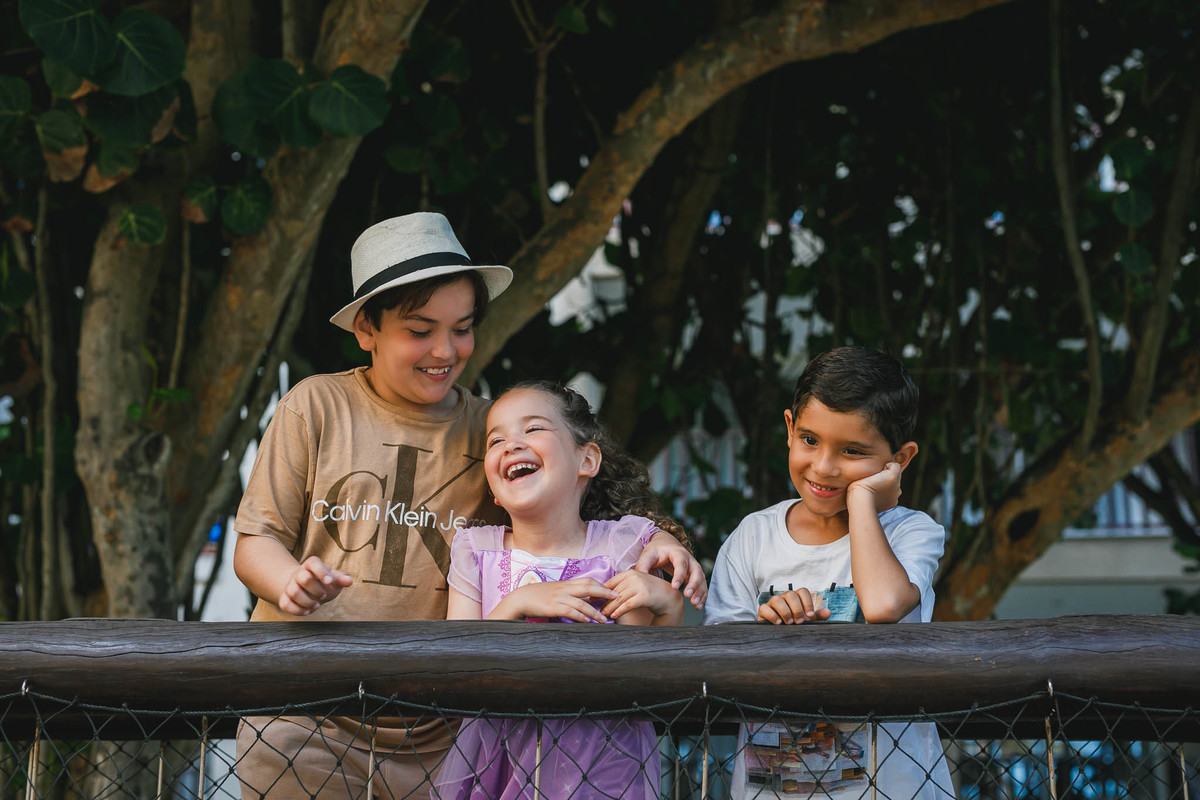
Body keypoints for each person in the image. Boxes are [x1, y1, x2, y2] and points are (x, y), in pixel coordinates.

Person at [232, 213, 705, 800]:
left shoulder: (494, 430)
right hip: (305, 715)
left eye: (462, 328)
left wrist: (662, 537)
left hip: (443, 733)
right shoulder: (315, 405)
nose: (444, 349)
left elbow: (587, 499)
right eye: (420, 329)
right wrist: (289, 581)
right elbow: (255, 542)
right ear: (365, 329)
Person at [704, 346, 954, 800]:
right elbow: (718, 668)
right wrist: (769, 629)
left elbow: (880, 606)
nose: (823, 467)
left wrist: (862, 501)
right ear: (788, 429)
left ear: (900, 459)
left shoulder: (911, 532)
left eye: (853, 451)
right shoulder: (753, 537)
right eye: (810, 440)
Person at [432, 381, 691, 800]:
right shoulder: (475, 550)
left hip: (605, 764)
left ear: (586, 459)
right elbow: (455, 669)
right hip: (496, 769)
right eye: (496, 440)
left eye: (533, 429)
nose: (511, 444)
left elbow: (644, 675)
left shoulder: (620, 545)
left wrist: (668, 604)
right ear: (493, 489)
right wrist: (516, 604)